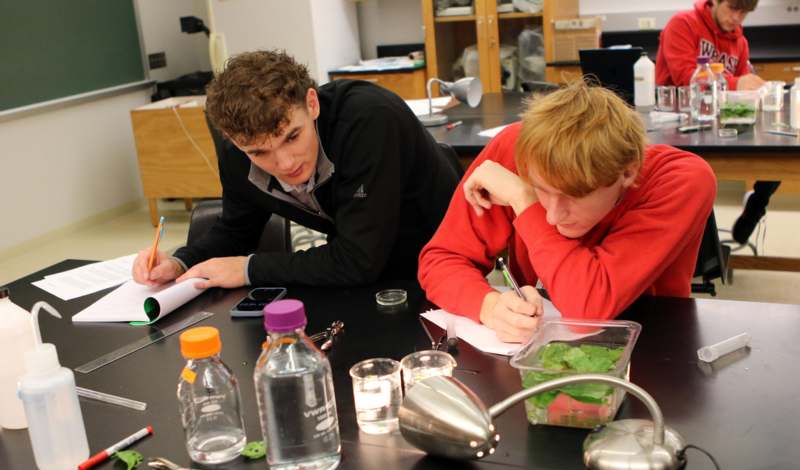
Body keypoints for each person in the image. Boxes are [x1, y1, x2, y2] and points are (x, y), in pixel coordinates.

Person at [132, 50, 459, 288]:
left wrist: (249, 269)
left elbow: (358, 261)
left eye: (293, 136)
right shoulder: (238, 156)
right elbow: (236, 230)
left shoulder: (368, 119)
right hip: (364, 268)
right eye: (260, 152)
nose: (285, 164)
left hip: (440, 255)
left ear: (312, 104)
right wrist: (180, 262)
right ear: (233, 139)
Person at [418, 82, 716, 342]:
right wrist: (490, 306)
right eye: (542, 190)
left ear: (628, 171)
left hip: (652, 347)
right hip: (539, 349)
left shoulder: (682, 179)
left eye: (575, 195)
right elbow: (441, 260)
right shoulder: (519, 150)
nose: (551, 217)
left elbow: (586, 311)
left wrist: (525, 199)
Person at [655, 0, 778, 244]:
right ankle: (693, 243)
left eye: (744, 13)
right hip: (677, 123)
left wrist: (754, 92)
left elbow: (741, 94)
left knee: (776, 146)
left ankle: (757, 203)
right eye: (733, 8)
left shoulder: (740, 42)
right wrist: (736, 83)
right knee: (693, 183)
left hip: (718, 120)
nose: (737, 18)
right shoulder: (683, 24)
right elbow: (683, 77)